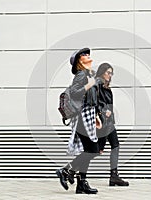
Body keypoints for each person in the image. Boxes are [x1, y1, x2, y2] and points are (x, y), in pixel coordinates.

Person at [56, 48, 100, 194]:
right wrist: (89, 84)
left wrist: (96, 116)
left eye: (88, 54)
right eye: (84, 55)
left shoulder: (89, 75)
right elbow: (75, 93)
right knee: (92, 150)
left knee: (88, 150)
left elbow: (92, 99)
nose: (88, 56)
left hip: (88, 115)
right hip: (82, 116)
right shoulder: (81, 75)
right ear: (79, 61)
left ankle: (82, 184)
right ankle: (66, 170)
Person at [96, 63, 129, 186]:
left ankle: (114, 175)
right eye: (108, 72)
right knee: (94, 151)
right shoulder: (96, 85)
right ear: (102, 72)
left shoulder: (106, 87)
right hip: (101, 122)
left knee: (115, 145)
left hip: (108, 123)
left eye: (111, 73)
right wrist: (104, 110)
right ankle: (71, 170)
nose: (110, 75)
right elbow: (93, 102)